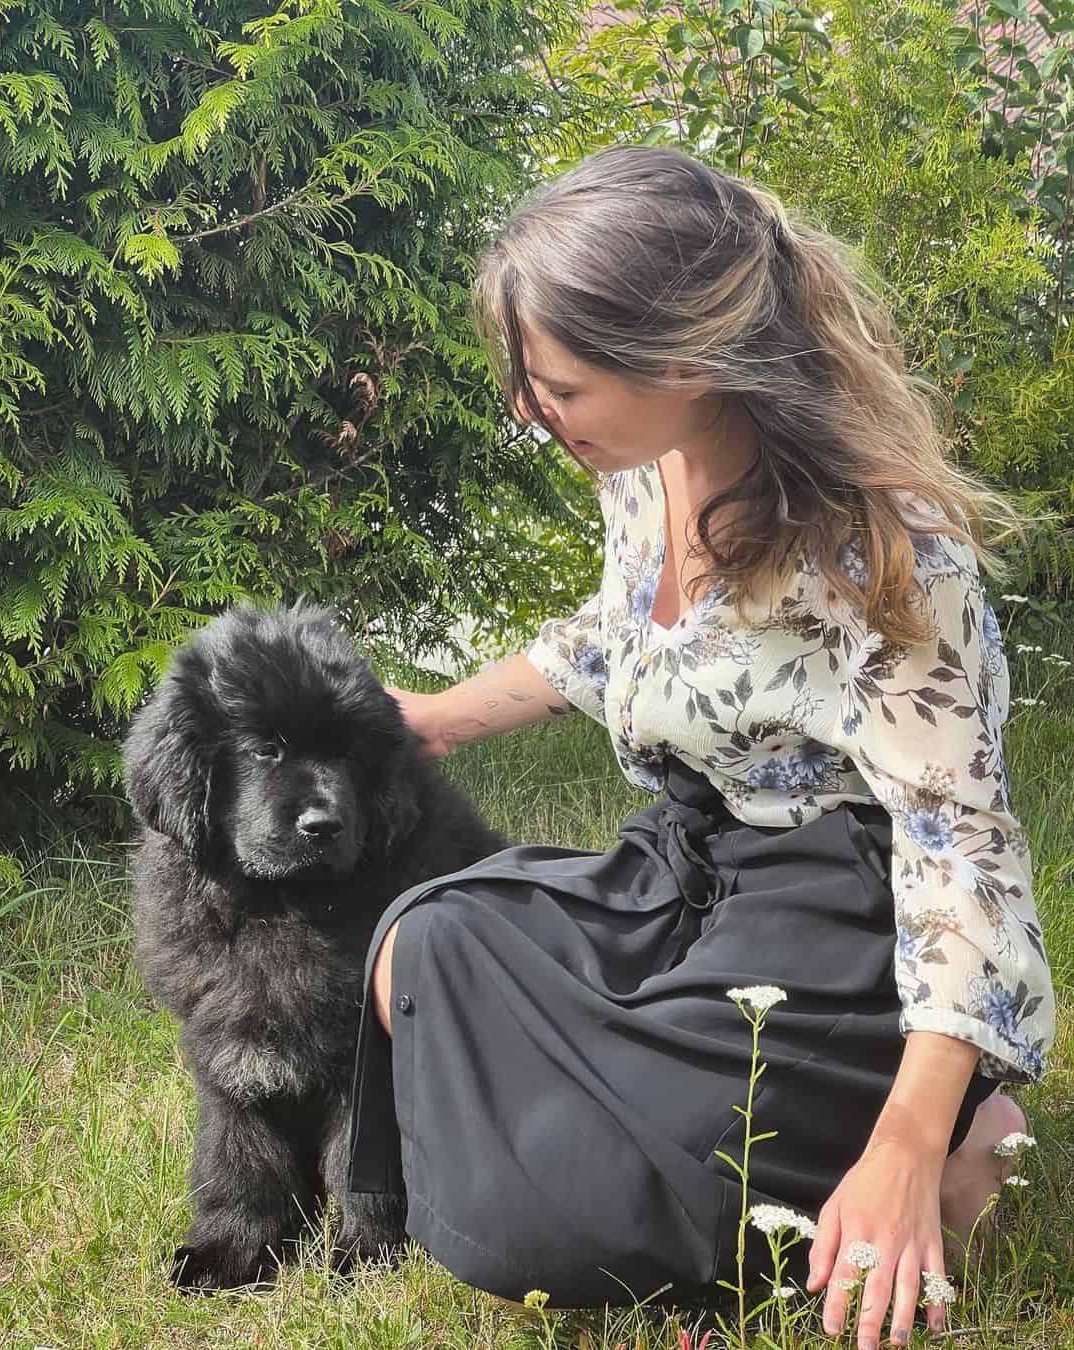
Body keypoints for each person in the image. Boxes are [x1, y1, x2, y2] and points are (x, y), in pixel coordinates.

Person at [346, 146, 1054, 1348]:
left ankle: (940, 1127)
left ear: (682, 361)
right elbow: (619, 635)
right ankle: (706, 1155)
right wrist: (440, 713)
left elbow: (961, 857)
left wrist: (903, 1140)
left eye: (555, 385)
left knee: (560, 1216)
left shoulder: (882, 556)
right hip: (688, 862)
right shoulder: (645, 463)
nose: (529, 410)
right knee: (429, 942)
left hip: (842, 918)